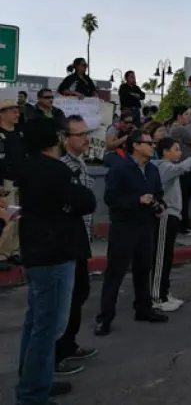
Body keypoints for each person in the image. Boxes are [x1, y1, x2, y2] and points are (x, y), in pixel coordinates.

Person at [15, 118, 97, 404]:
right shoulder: (53, 170)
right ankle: (32, 394)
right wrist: (71, 202)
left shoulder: (30, 167)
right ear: (58, 139)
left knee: (36, 322)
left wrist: (70, 203)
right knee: (47, 327)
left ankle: (35, 380)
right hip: (55, 253)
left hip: (40, 251)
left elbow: (75, 201)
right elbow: (86, 200)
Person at [95, 129, 168, 336]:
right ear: (135, 145)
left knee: (144, 269)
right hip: (124, 227)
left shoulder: (152, 170)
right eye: (148, 143)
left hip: (147, 226)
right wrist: (137, 200)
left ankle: (143, 308)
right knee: (115, 273)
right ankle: (105, 318)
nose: (152, 147)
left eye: (153, 143)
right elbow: (111, 198)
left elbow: (159, 193)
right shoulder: (120, 169)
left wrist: (159, 205)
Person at [55, 116, 98, 376]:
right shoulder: (62, 167)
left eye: (87, 133)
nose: (86, 138)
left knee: (80, 292)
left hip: (82, 239)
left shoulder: (81, 163)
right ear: (65, 138)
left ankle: (69, 343)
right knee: (66, 298)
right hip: (67, 240)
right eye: (80, 134)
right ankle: (57, 352)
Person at [152, 137, 191, 311]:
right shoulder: (163, 167)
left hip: (172, 215)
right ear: (165, 152)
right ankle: (157, 297)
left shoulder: (166, 168)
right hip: (165, 216)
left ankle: (163, 292)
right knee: (161, 257)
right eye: (175, 149)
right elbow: (181, 167)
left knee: (166, 257)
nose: (179, 152)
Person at [169, 105, 191, 236]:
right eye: (187, 114)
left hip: (186, 167)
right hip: (185, 168)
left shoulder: (178, 128)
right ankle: (183, 226)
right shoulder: (180, 129)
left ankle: (184, 224)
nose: (189, 117)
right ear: (179, 116)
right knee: (183, 198)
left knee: (184, 198)